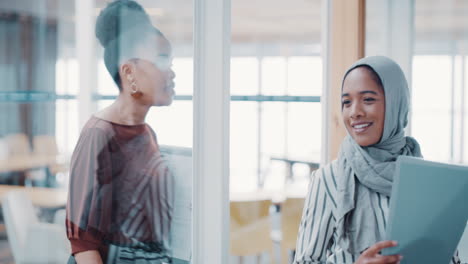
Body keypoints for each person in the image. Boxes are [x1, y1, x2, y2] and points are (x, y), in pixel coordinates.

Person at [294, 56, 462, 264]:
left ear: (395, 104)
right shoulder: (329, 179)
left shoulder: (428, 181)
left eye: (368, 100)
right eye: (347, 102)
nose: (355, 112)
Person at [65, 1, 176, 263]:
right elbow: (83, 243)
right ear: (129, 72)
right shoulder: (98, 135)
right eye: (161, 61)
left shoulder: (146, 133)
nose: (171, 73)